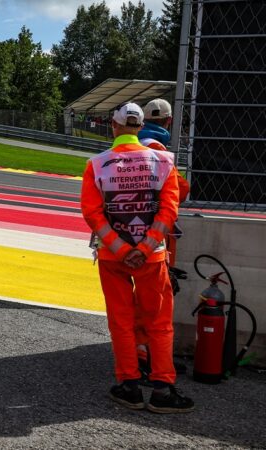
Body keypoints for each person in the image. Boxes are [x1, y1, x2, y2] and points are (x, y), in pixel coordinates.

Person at [81, 102, 194, 414]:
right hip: (152, 257)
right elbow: (169, 210)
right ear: (140, 128)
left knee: (121, 320)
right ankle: (162, 388)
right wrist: (144, 248)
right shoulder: (163, 161)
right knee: (158, 323)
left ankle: (129, 385)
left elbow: (92, 213)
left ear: (114, 127)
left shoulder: (97, 164)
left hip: (111, 255)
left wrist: (120, 247)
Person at [135, 98, 190, 381]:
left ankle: (138, 354)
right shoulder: (159, 151)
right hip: (156, 237)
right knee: (157, 301)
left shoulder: (130, 147)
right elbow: (179, 191)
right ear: (168, 123)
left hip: (126, 234)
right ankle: (154, 359)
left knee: (138, 300)